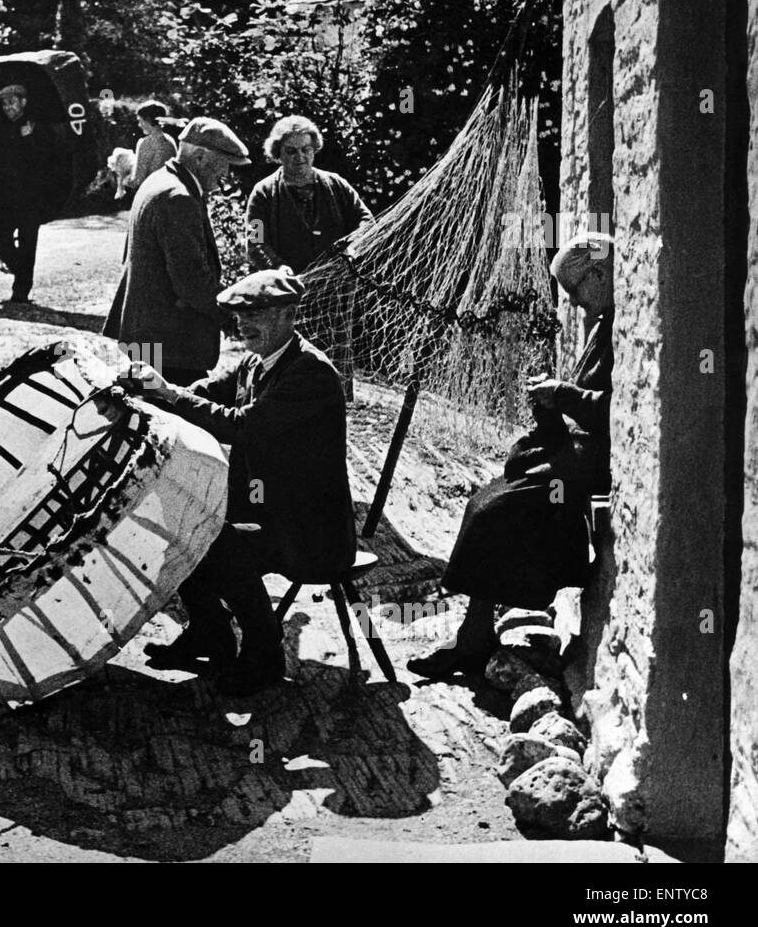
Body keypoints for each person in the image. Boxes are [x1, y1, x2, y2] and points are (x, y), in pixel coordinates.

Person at [122, 267, 357, 697]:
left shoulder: (310, 372)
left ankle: (264, 655)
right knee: (181, 525)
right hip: (269, 508)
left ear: (290, 314)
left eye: (258, 315)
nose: (245, 326)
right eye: (239, 317)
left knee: (216, 544)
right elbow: (208, 391)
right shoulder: (258, 360)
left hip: (310, 528)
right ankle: (209, 634)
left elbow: (242, 426)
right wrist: (155, 392)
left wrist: (172, 398)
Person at [407, 232, 615, 679]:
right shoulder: (603, 323)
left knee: (496, 511)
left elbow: (622, 409)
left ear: (598, 273)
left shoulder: (622, 326)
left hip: (594, 464)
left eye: (575, 292)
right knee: (487, 500)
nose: (575, 304)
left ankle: (473, 640)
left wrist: (563, 394)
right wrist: (556, 398)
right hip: (576, 454)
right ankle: (475, 634)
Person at [102, 117, 250, 386]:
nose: (227, 173)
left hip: (147, 333)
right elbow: (191, 280)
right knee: (172, 420)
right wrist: (233, 315)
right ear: (202, 157)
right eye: (225, 163)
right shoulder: (178, 197)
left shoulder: (160, 180)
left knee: (143, 414)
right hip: (170, 344)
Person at [245, 115, 373, 274]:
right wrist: (277, 266)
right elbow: (256, 242)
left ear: (314, 149)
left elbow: (365, 219)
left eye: (306, 149)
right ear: (278, 153)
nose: (300, 157)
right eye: (291, 151)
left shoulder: (336, 184)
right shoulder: (263, 192)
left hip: (340, 283)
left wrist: (354, 245)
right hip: (289, 288)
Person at [0, 84, 63, 304]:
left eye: (12, 102)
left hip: (31, 195)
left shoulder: (38, 127)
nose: (7, 107)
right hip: (4, 195)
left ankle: (21, 291)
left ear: (23, 102)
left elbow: (48, 159)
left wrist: (29, 138)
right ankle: (19, 270)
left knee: (27, 242)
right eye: (4, 103)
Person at [128, 101, 178, 191]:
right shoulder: (170, 140)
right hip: (171, 189)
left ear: (147, 120)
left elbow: (138, 181)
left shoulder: (146, 143)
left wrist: (123, 180)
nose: (139, 125)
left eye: (140, 121)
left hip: (152, 193)